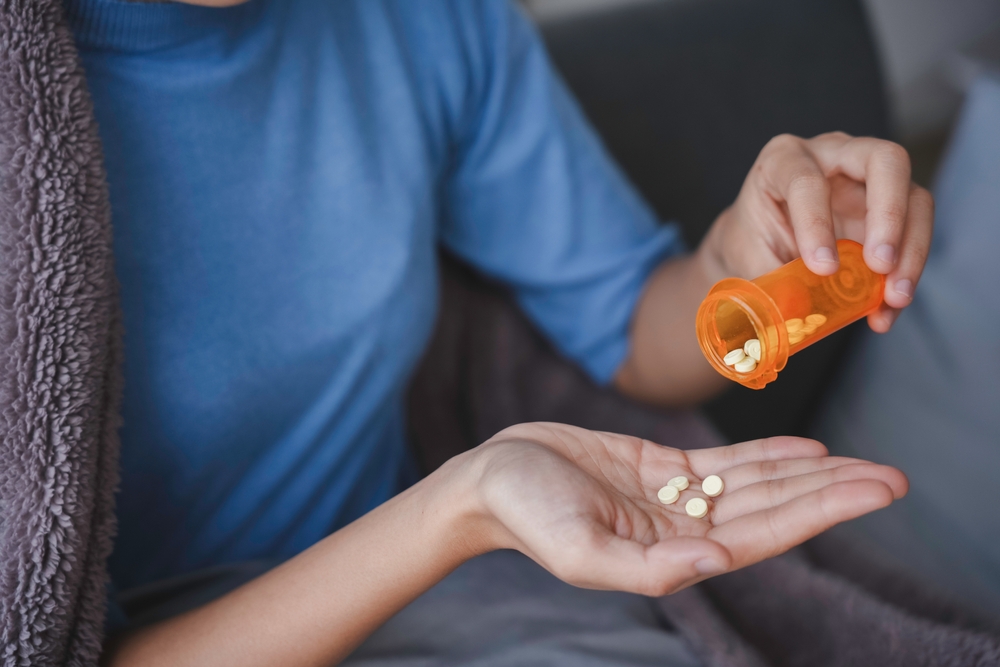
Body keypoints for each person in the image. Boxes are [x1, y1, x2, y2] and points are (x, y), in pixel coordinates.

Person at [64, 0, 927, 664]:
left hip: (453, 594)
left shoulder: (423, 20)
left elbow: (628, 323)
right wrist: (458, 509)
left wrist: (742, 264)